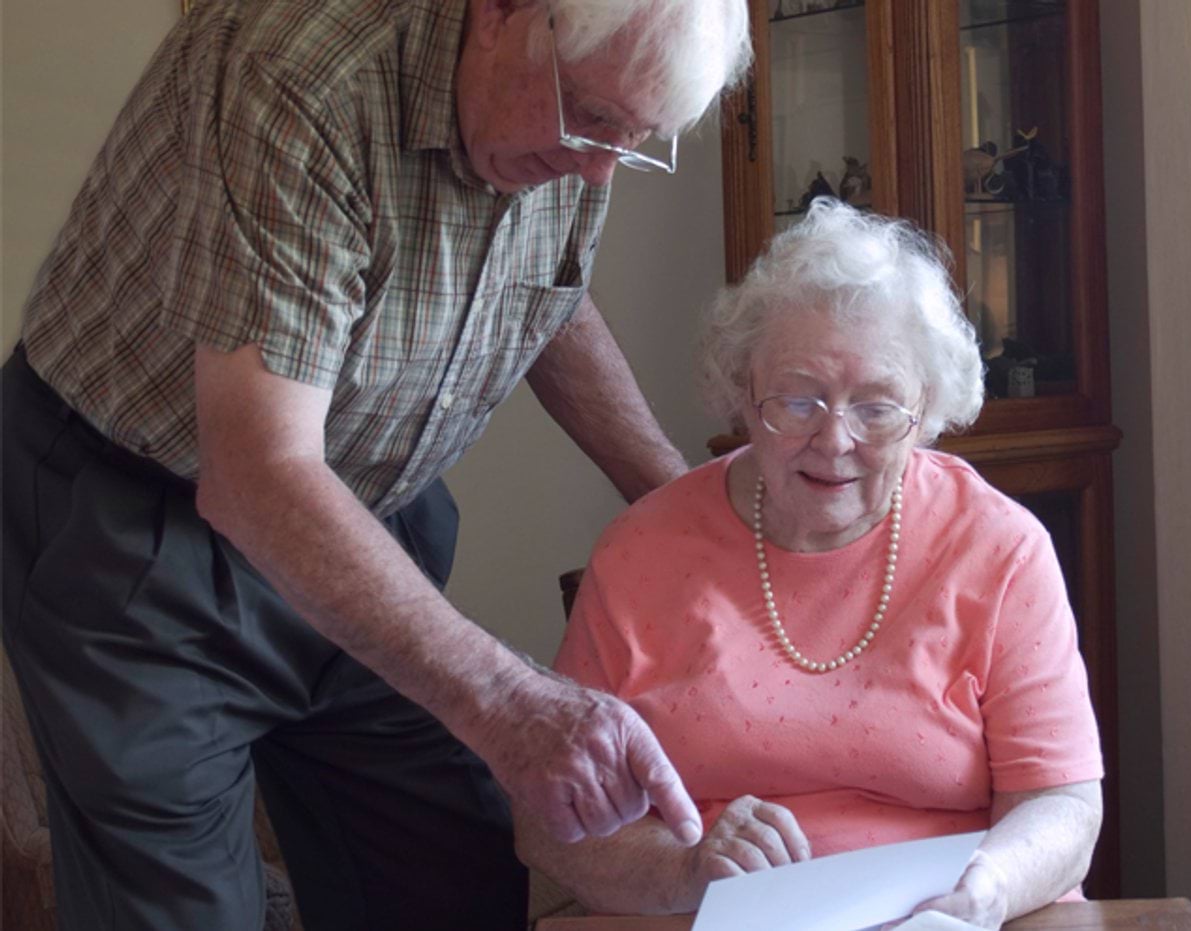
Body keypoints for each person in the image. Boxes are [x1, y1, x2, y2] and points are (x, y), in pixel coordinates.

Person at [0, 0, 749, 928]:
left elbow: (547, 295)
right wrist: (513, 703)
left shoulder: (564, 107)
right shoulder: (301, 72)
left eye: (633, 142)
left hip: (363, 514)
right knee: (178, 913)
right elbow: (260, 474)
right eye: (591, 120)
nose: (598, 168)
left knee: (448, 882)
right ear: (501, 13)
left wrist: (689, 509)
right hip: (138, 523)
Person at [523, 199, 1105, 929]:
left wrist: (986, 888)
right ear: (742, 392)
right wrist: (687, 871)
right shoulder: (641, 550)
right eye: (797, 401)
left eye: (876, 407)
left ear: (926, 409)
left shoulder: (999, 548)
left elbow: (1063, 802)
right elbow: (553, 823)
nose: (834, 440)